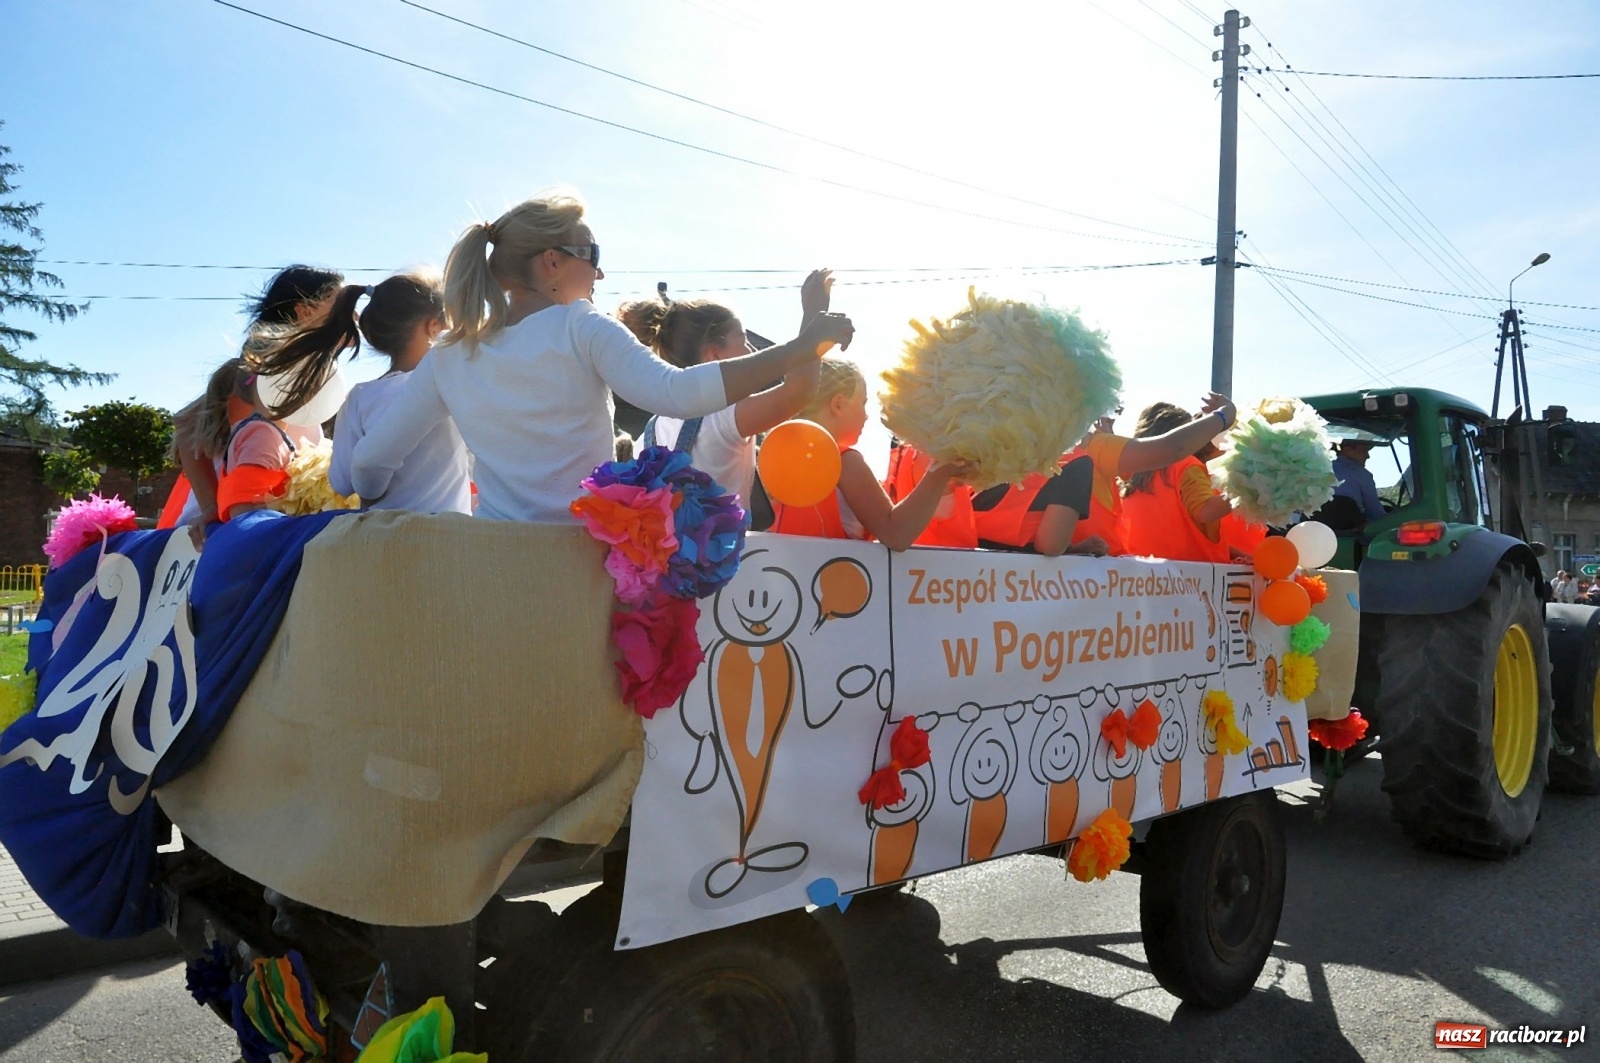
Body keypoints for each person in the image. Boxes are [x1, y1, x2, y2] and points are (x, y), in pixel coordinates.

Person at [348, 190, 853, 522]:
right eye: (593, 257)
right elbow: (678, 394)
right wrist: (798, 349)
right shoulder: (579, 325)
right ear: (552, 262)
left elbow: (369, 466)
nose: (600, 277)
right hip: (578, 570)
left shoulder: (450, 356)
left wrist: (375, 498)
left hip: (489, 571)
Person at [258, 271, 473, 515]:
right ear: (434, 326)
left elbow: (341, 483)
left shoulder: (359, 397)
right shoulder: (451, 384)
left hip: (381, 540)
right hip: (449, 536)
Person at [618, 269, 832, 505]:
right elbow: (798, 392)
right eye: (743, 340)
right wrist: (814, 313)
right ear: (715, 355)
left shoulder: (654, 428)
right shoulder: (723, 413)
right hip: (719, 543)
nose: (753, 351)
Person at [161, 265, 345, 530]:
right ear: (306, 311)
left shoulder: (310, 374)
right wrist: (212, 507)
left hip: (264, 523)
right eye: (341, 303)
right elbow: (186, 424)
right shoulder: (263, 369)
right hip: (228, 529)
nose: (355, 314)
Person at [965, 393, 1239, 557]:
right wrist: (1225, 415)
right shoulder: (1090, 451)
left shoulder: (1008, 446)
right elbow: (1169, 448)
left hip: (974, 579)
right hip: (1082, 590)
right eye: (1107, 411)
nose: (1111, 422)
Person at [770, 358, 970, 550]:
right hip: (827, 581)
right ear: (838, 404)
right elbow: (896, 534)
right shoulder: (845, 462)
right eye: (863, 403)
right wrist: (940, 470)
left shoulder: (773, 457)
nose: (866, 415)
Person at [1120, 401, 1236, 563]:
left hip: (1141, 579)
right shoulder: (1186, 465)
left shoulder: (1128, 474)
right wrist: (1244, 491)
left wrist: (1241, 556)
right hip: (1195, 580)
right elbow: (1204, 511)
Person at [1331, 438, 1386, 523]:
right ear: (1347, 450)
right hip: (1353, 532)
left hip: (1314, 531)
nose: (1368, 456)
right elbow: (1375, 514)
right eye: (1363, 451)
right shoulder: (1362, 475)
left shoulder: (1316, 471)